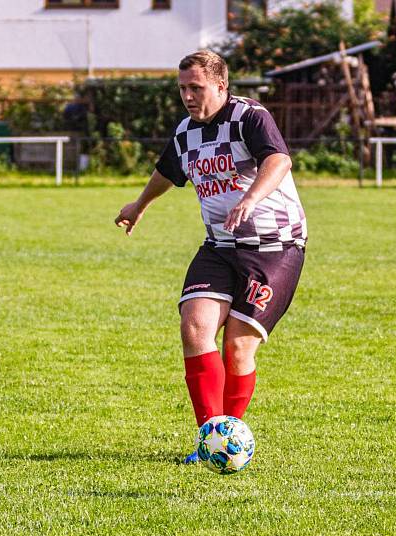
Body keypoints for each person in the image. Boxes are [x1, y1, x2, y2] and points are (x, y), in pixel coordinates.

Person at [114, 51, 307, 464]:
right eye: (182, 88)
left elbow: (278, 159)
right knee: (195, 328)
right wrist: (140, 204)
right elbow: (169, 170)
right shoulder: (186, 132)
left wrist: (251, 198)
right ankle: (209, 440)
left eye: (195, 87)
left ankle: (227, 435)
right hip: (219, 247)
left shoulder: (249, 117)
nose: (187, 95)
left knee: (237, 346)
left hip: (274, 247)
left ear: (221, 85)